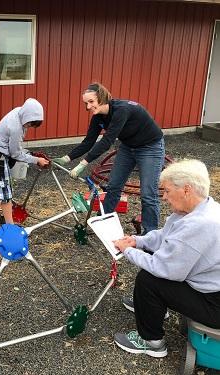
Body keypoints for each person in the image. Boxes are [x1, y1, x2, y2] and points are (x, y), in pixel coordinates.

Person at [112, 159, 220, 358]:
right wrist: (138, 241)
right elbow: (166, 237)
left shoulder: (200, 224)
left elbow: (165, 269)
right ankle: (155, 309)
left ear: (186, 189)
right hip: (209, 288)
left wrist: (128, 251)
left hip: (215, 305)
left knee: (149, 280)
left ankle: (152, 342)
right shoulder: (198, 209)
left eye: (168, 191)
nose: (164, 197)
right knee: (154, 262)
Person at [53, 82, 164, 234]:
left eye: (91, 102)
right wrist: (66, 158)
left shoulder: (121, 110)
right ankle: (102, 223)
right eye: (86, 103)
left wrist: (82, 164)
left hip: (150, 147)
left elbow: (106, 142)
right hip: (128, 146)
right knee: (113, 186)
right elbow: (88, 142)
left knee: (148, 194)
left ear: (102, 97)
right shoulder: (98, 117)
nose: (88, 107)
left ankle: (150, 234)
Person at [0, 98, 50, 227]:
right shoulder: (15, 127)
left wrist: (29, 155)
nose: (29, 126)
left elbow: (15, 148)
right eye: (30, 124)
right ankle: (10, 227)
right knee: (5, 193)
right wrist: (36, 160)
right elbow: (15, 153)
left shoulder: (18, 111)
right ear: (27, 116)